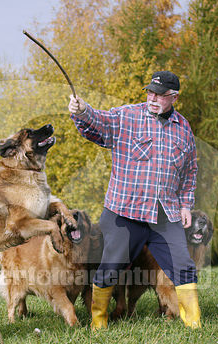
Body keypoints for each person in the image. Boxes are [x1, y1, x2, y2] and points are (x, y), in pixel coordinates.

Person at [68, 71, 201, 330]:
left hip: (165, 214)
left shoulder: (183, 128)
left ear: (173, 97)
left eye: (160, 95)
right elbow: (100, 122)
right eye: (150, 92)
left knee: (183, 265)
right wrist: (82, 110)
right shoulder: (128, 116)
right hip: (124, 212)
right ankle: (99, 320)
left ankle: (193, 323)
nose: (152, 98)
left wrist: (186, 203)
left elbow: (190, 170)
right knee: (109, 269)